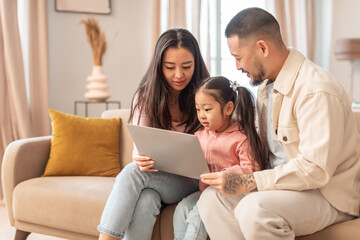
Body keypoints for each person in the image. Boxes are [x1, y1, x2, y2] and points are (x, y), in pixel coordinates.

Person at [197, 7, 360, 240]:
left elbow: (315, 170)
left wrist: (250, 182)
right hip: (284, 189)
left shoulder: (316, 90)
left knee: (254, 209)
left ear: (262, 48)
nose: (237, 67)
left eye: (238, 57)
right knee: (212, 199)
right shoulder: (266, 88)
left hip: (326, 194)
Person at [97, 28, 209, 240]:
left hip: (194, 180)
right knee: (146, 199)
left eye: (187, 66)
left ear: (196, 64)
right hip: (157, 179)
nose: (179, 75)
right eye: (170, 67)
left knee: (132, 173)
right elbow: (140, 150)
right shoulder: (146, 95)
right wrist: (141, 158)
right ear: (159, 66)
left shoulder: (207, 94)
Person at [173, 76, 267, 240]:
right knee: (182, 208)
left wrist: (226, 173)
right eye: (198, 109)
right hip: (204, 192)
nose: (201, 115)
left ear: (228, 108)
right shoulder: (199, 136)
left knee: (198, 214)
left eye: (207, 109)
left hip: (230, 195)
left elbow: (252, 170)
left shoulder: (241, 138)